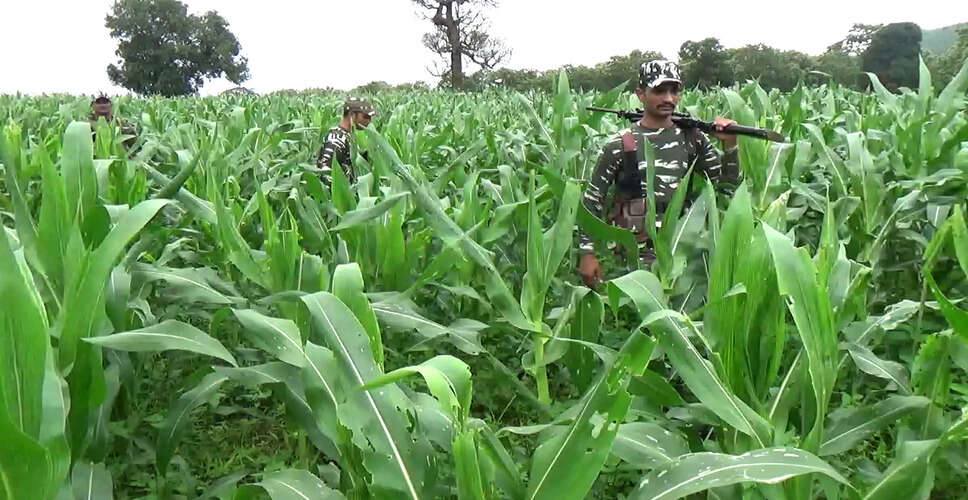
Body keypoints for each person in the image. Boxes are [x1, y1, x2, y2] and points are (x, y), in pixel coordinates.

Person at [577, 60, 741, 288]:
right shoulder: (621, 144)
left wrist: (731, 147)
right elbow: (592, 200)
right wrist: (587, 252)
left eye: (674, 91)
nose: (668, 98)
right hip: (632, 262)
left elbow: (727, 186)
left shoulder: (693, 139)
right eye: (659, 90)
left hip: (683, 254)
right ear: (641, 94)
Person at [315, 97, 378, 186]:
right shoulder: (336, 139)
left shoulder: (348, 136)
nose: (369, 120)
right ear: (352, 115)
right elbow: (325, 172)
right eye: (366, 116)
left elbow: (347, 160)